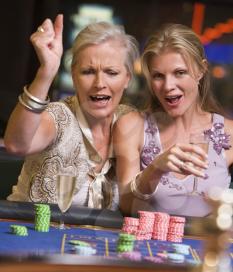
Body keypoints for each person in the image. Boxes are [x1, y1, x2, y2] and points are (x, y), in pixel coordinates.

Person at [4, 14, 139, 210]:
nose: (99, 84)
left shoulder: (131, 121)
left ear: (127, 78)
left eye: (111, 73)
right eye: (88, 72)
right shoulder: (59, 116)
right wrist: (47, 71)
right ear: (73, 76)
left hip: (97, 240)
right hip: (31, 235)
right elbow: (16, 145)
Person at [113, 23, 233, 217]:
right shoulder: (131, 125)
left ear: (201, 71)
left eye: (179, 73)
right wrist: (155, 169)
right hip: (148, 246)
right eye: (158, 76)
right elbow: (127, 206)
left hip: (206, 245)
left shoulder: (230, 132)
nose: (168, 86)